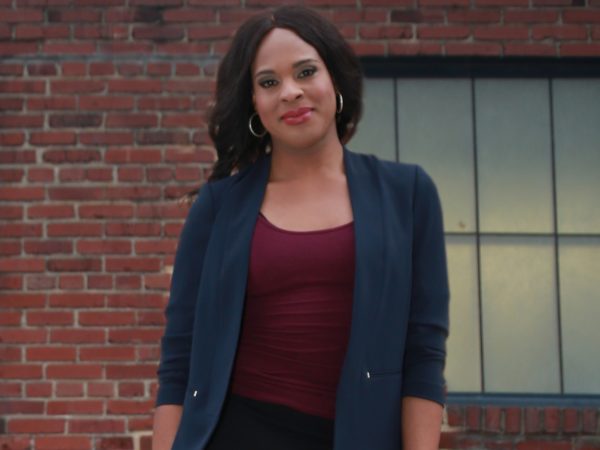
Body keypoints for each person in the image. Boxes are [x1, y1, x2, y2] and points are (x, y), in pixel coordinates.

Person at [152, 5, 449, 450]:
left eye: (306, 72)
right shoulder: (218, 207)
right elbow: (180, 360)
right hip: (237, 434)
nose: (290, 92)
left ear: (335, 80)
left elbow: (424, 351)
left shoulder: (408, 194)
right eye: (269, 82)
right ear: (254, 102)